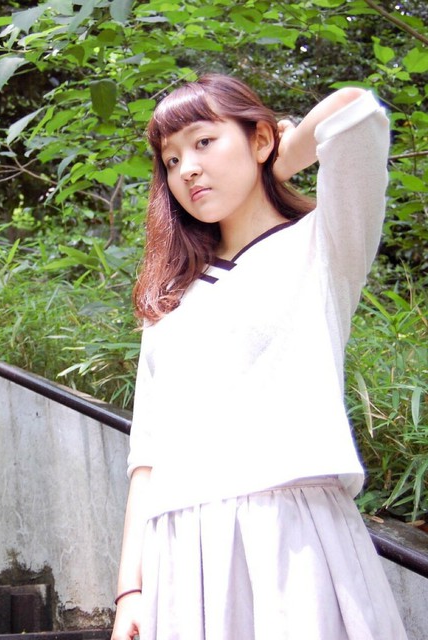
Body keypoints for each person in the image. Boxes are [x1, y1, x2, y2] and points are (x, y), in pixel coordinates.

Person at [111, 74, 408, 640]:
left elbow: (355, 112)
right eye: (171, 160)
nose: (187, 169)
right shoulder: (168, 300)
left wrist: (278, 159)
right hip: (181, 553)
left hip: (291, 539)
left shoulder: (322, 246)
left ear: (261, 139)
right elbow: (146, 454)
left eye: (204, 142)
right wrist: (131, 590)